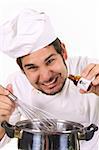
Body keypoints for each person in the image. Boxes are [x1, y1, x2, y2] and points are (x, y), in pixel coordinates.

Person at [0, 8, 99, 150]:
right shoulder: (15, 86)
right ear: (22, 70)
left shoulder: (92, 71)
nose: (46, 76)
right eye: (32, 67)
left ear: (63, 52)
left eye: (50, 61)